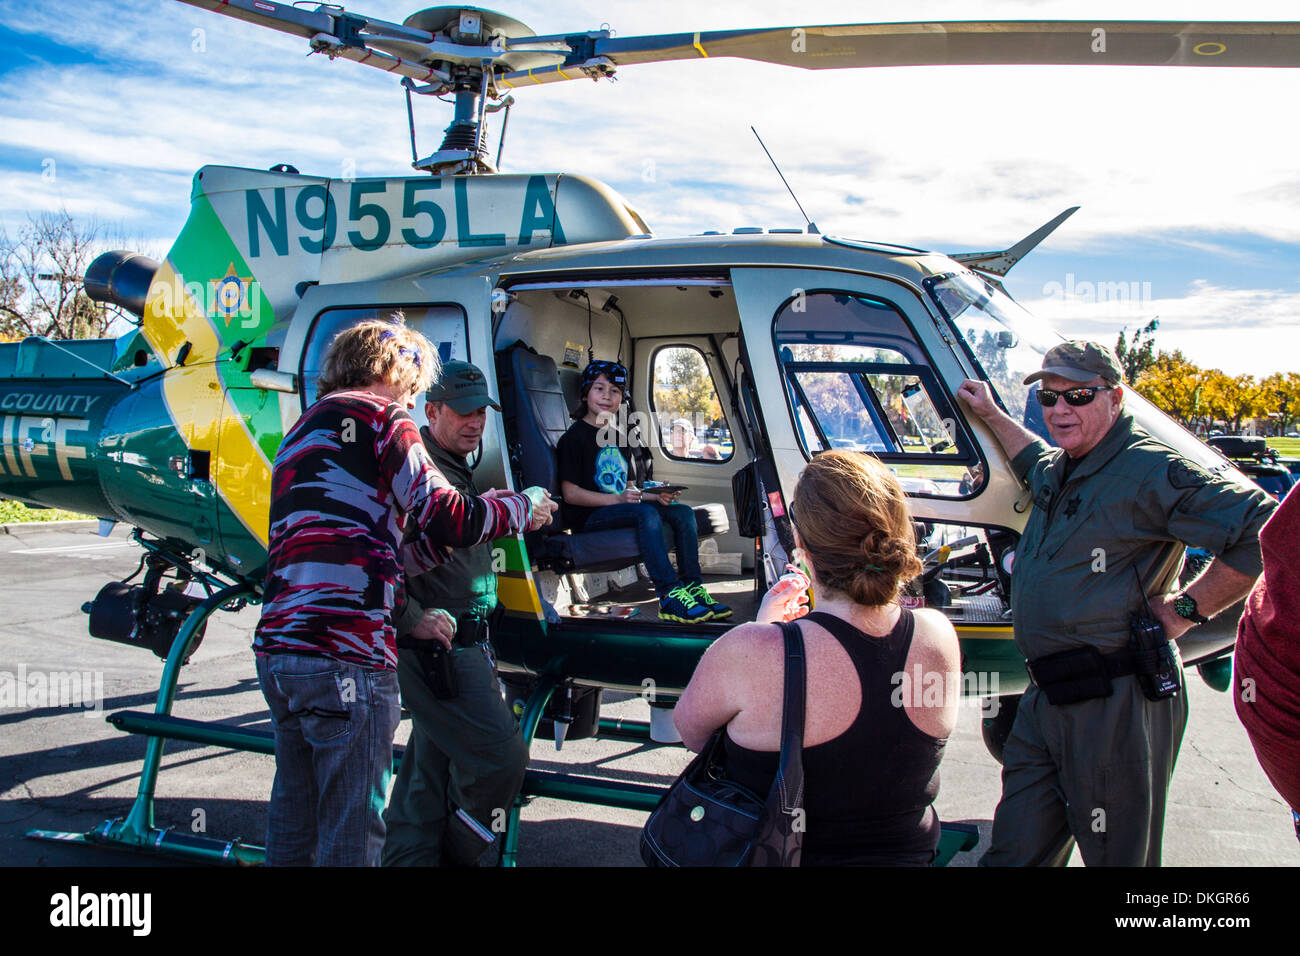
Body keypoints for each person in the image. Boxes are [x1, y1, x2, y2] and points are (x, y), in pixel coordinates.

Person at [959, 340, 1275, 866]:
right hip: (1045, 699)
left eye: (1078, 396)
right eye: (1049, 397)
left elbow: (1262, 529)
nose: (1060, 410)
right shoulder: (1067, 465)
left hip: (1115, 702)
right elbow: (1034, 458)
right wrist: (991, 414)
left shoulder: (1149, 470)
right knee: (1014, 854)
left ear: (1115, 397)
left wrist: (1184, 611)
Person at [253, 318, 555, 866]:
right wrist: (520, 507)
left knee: (295, 819)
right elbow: (450, 518)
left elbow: (340, 555)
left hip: (282, 649)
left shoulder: (301, 432)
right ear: (395, 372)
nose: (414, 404)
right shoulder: (380, 416)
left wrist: (418, 578)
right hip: (346, 657)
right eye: (414, 390)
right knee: (352, 830)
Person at [673, 450, 961, 865]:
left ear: (802, 543)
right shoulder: (937, 635)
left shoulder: (749, 650)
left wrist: (766, 633)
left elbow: (692, 733)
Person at [382, 361, 534, 866]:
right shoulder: (421, 469)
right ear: (432, 411)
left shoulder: (453, 469)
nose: (475, 422)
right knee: (500, 759)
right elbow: (381, 559)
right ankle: (460, 854)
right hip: (439, 648)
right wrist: (410, 619)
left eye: (482, 413)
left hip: (461, 643)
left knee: (425, 778)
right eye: (464, 412)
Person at [558, 360, 729, 623]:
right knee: (647, 515)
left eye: (614, 391)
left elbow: (626, 488)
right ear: (585, 394)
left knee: (682, 513)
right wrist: (617, 500)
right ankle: (669, 595)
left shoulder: (617, 436)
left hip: (619, 508)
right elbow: (570, 494)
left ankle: (692, 587)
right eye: (599, 389)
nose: (607, 396)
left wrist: (654, 495)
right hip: (590, 517)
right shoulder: (573, 438)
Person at [1233, 485, 1300, 827]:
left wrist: (1182, 611)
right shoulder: (1049, 470)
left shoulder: (1147, 467)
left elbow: (1247, 537)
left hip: (1113, 688)